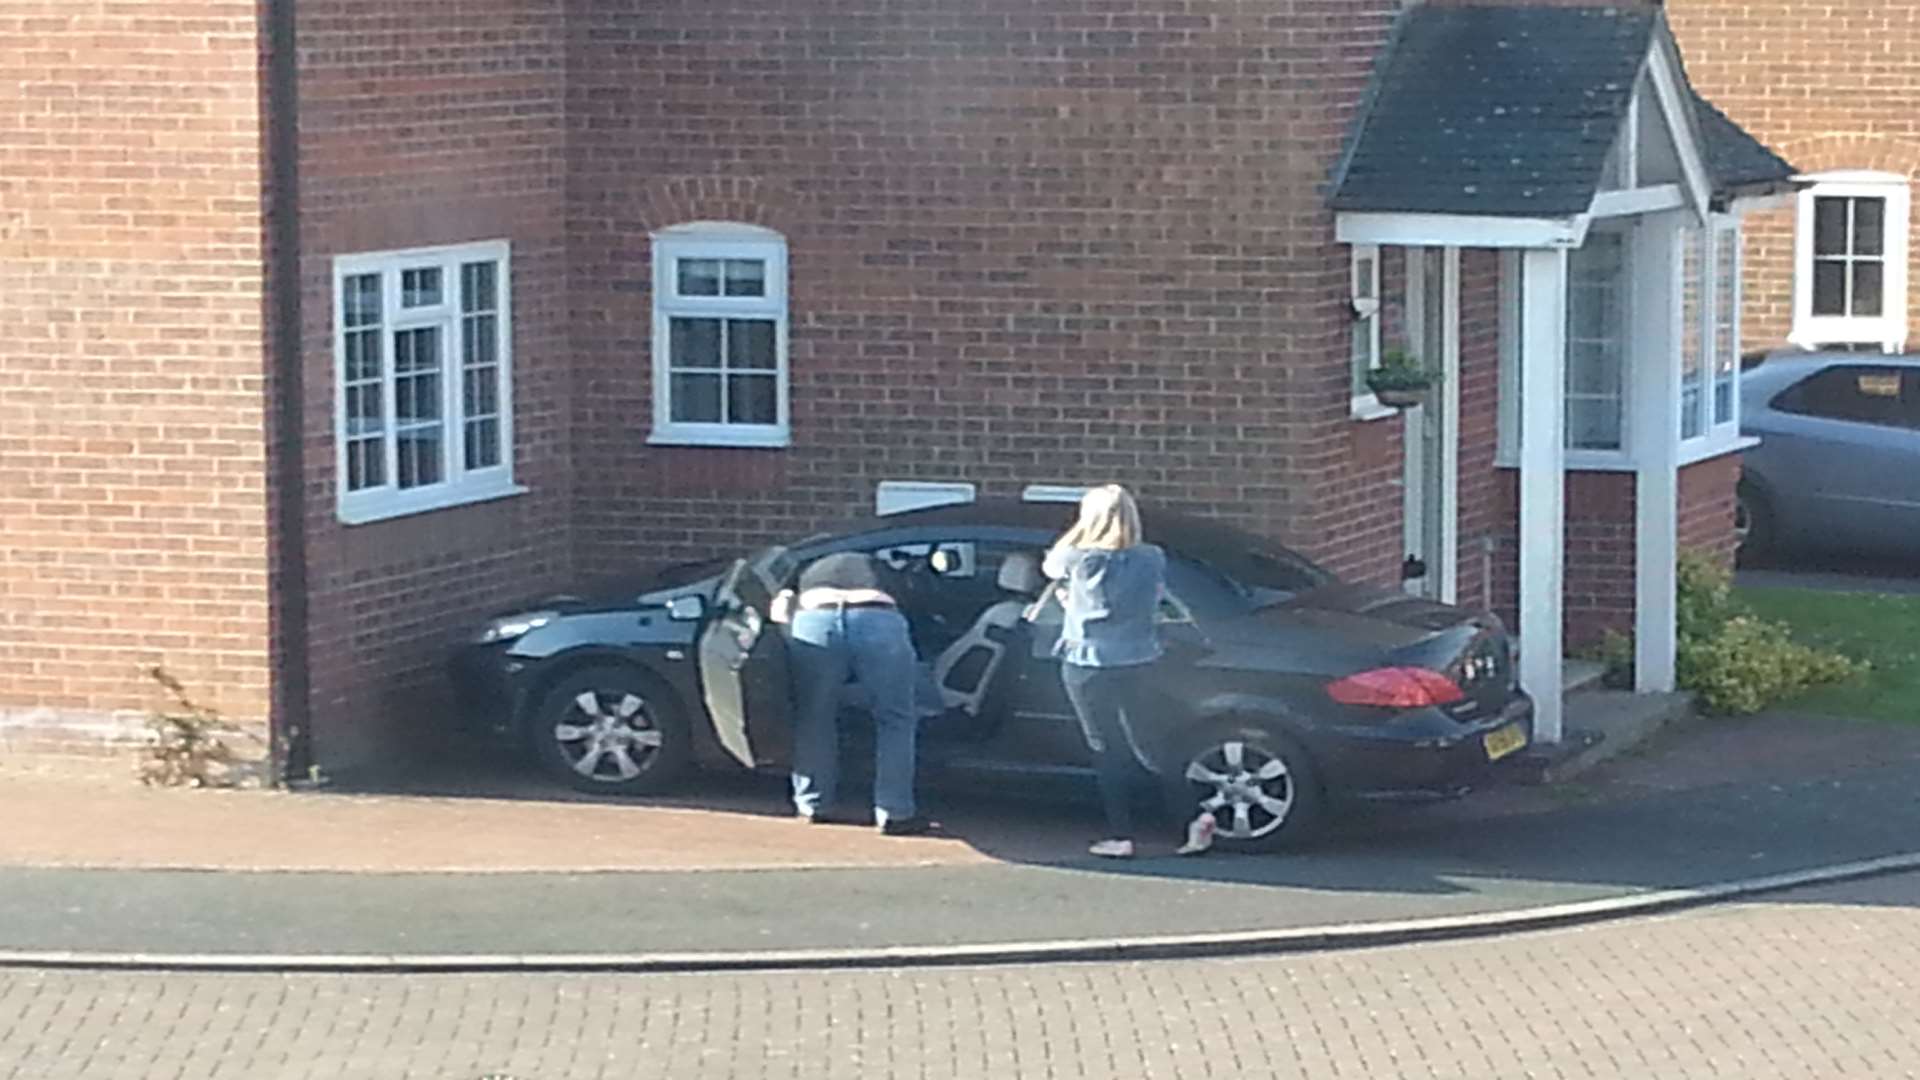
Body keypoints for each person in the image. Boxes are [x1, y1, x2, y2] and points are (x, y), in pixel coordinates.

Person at [1043, 485, 1214, 858]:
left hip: (1089, 662)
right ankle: (1193, 816)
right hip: (1140, 658)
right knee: (1148, 744)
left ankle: (1121, 835)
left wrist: (1079, 530)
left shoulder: (1079, 559)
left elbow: (1050, 566)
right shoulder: (1152, 557)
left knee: (1105, 747)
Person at [771, 551, 932, 836]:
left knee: (814, 716)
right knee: (896, 719)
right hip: (877, 616)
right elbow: (915, 597)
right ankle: (894, 813)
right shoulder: (880, 565)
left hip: (816, 619)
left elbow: (779, 610)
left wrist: (790, 637)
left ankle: (812, 804)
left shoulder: (799, 568)